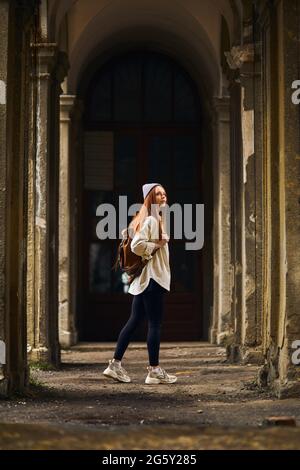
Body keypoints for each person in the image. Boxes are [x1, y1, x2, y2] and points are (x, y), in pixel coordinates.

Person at [103, 183, 177, 384]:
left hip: (145, 280)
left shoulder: (148, 218)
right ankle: (154, 370)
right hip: (153, 279)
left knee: (134, 321)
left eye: (164, 192)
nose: (163, 196)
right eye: (158, 194)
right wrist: (157, 245)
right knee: (154, 324)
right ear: (151, 198)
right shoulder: (152, 220)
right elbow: (136, 246)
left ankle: (115, 365)